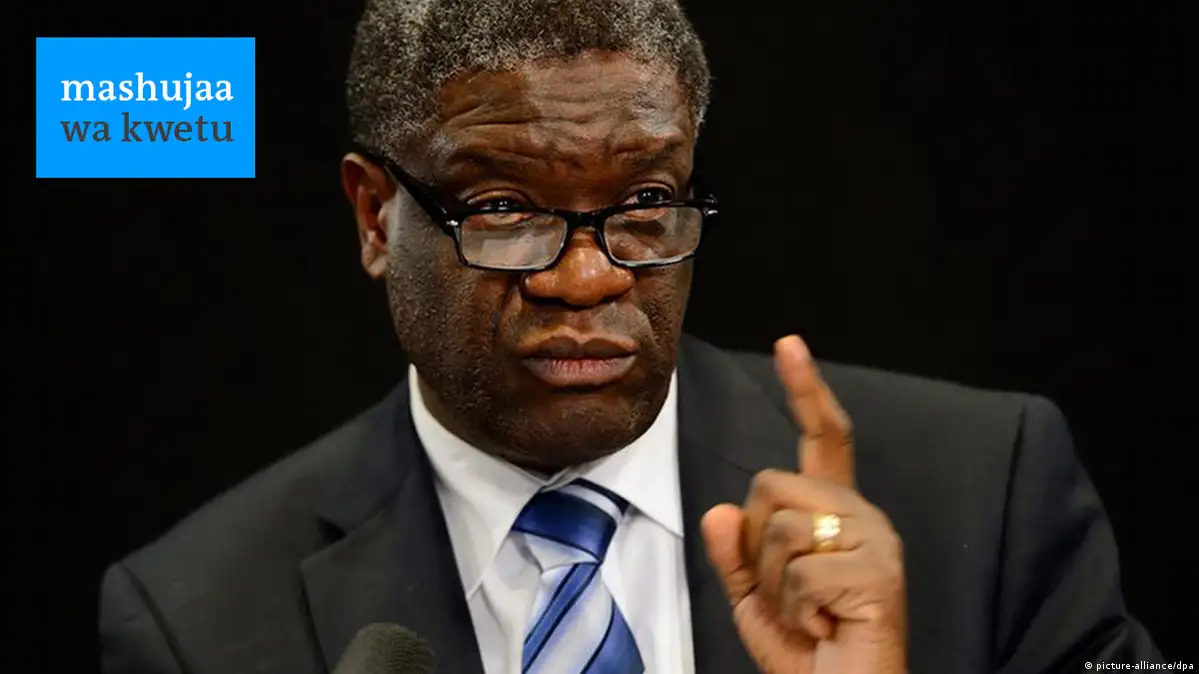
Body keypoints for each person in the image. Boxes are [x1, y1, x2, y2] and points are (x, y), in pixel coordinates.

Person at [99, 0, 1162, 672]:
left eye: (647, 201)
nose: (588, 276)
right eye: (503, 209)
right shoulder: (195, 619)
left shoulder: (983, 491)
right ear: (376, 217)